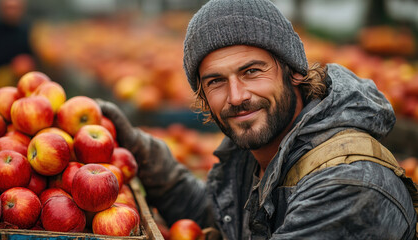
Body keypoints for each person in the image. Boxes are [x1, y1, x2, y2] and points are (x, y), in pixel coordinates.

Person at [98, 0, 417, 239]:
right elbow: (223, 219)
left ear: (294, 71)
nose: (236, 96)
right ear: (203, 96)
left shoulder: (346, 186)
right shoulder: (255, 154)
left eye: (252, 71)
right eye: (216, 81)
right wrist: (144, 154)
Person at [0, 0, 35, 79]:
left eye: (15, 8)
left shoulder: (31, 32)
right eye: (8, 8)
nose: (11, 12)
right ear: (1, 8)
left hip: (26, 79)